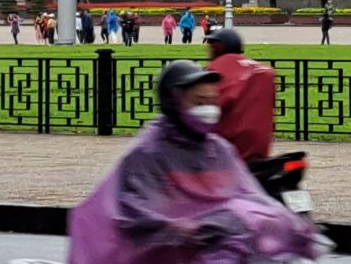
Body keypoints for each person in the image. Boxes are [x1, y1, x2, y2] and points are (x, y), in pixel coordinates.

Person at [67, 60, 326, 264]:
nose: (209, 109)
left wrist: (292, 224)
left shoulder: (217, 149)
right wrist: (177, 227)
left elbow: (249, 195)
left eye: (212, 101)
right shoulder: (149, 151)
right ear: (174, 102)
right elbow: (131, 211)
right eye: (199, 102)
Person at [205, 29, 275, 163]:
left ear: (218, 48)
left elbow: (212, 105)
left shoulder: (219, 69)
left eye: (211, 46)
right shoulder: (262, 71)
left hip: (230, 147)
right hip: (260, 146)